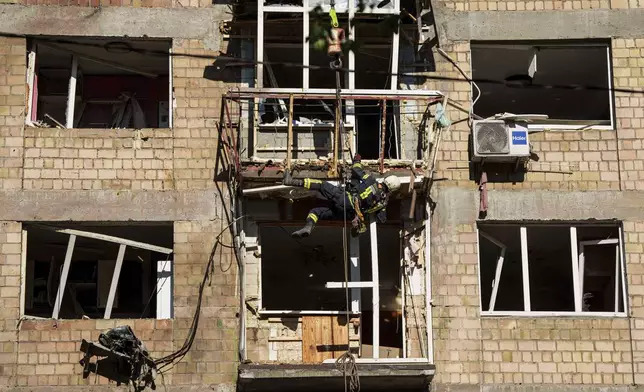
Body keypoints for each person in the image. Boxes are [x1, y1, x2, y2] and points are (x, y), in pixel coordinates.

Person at [282, 153, 401, 238]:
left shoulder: (371, 181)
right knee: (316, 211)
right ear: (392, 189)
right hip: (347, 214)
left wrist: (357, 160)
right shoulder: (383, 203)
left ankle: (291, 181)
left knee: (320, 185)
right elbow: (381, 219)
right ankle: (308, 228)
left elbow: (357, 170)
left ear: (386, 180)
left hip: (344, 198)